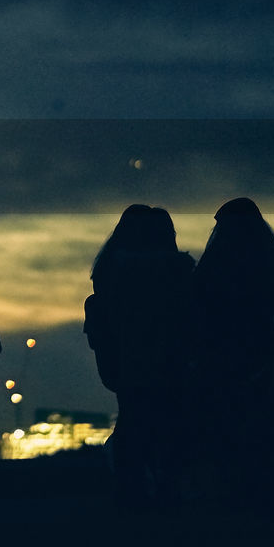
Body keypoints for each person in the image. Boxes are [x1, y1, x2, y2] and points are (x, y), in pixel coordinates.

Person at [190, 197, 274, 517]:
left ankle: (230, 494)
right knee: (257, 422)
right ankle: (257, 492)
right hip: (259, 351)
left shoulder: (215, 262)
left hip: (220, 355)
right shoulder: (266, 256)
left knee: (224, 425)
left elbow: (198, 306)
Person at [85, 204, 195, 511]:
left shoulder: (111, 270)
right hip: (167, 359)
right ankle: (164, 487)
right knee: (165, 423)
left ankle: (131, 488)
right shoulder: (175, 269)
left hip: (127, 359)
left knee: (133, 420)